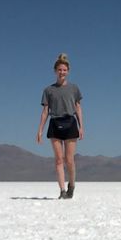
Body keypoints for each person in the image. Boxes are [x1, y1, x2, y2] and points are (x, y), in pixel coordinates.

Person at [36, 53, 84, 199]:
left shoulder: (74, 88)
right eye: (59, 70)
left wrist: (82, 126)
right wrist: (40, 130)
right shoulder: (48, 90)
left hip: (70, 123)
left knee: (69, 159)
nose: (62, 72)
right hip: (55, 123)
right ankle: (62, 191)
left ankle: (72, 185)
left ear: (68, 71)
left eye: (64, 70)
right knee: (58, 159)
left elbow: (78, 107)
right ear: (55, 71)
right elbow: (45, 111)